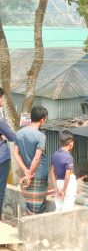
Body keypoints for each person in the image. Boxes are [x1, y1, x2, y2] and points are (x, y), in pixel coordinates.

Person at [13, 105, 49, 214]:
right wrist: (30, 173)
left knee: (29, 201)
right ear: (42, 120)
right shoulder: (40, 136)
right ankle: (32, 227)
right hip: (38, 173)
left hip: (26, 173)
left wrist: (25, 170)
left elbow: (15, 153)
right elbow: (37, 158)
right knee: (38, 204)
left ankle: (27, 223)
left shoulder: (19, 133)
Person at [50, 130, 77, 211]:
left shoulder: (55, 154)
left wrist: (56, 187)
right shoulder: (68, 157)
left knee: (58, 206)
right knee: (67, 206)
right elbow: (67, 177)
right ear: (71, 144)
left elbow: (52, 171)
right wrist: (64, 190)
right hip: (68, 184)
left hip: (58, 183)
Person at [0, 88, 16, 220]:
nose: (1, 101)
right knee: (0, 190)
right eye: (1, 98)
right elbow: (12, 136)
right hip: (1, 158)